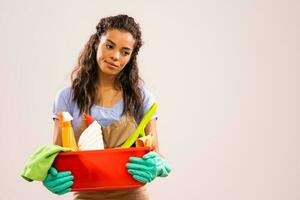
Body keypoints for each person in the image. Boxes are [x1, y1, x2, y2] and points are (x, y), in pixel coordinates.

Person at [42, 14, 171, 200]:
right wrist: (50, 173)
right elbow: (59, 155)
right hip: (86, 196)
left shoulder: (141, 99)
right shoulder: (67, 98)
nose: (115, 56)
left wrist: (158, 165)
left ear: (131, 57)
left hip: (133, 196)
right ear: (96, 43)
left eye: (125, 52)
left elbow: (156, 154)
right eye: (109, 46)